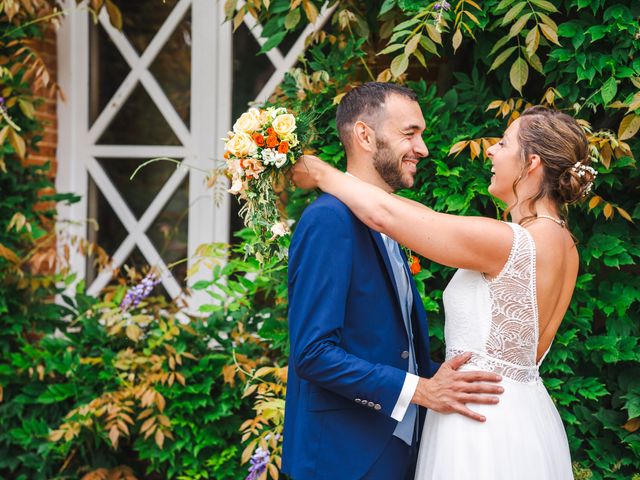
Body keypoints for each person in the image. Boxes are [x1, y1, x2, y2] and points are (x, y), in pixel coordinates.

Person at [293, 104, 596, 479]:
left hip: (479, 422)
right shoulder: (564, 244)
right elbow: (402, 211)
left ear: (531, 163)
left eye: (503, 143)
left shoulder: (510, 241)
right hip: (524, 416)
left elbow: (386, 216)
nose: (490, 150)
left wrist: (321, 171)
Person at [282, 82, 504, 480]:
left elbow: (385, 343)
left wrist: (441, 375)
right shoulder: (329, 221)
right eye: (410, 134)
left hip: (397, 453)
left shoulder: (391, 224)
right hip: (341, 460)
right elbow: (313, 353)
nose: (423, 149)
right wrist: (422, 391)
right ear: (365, 135)